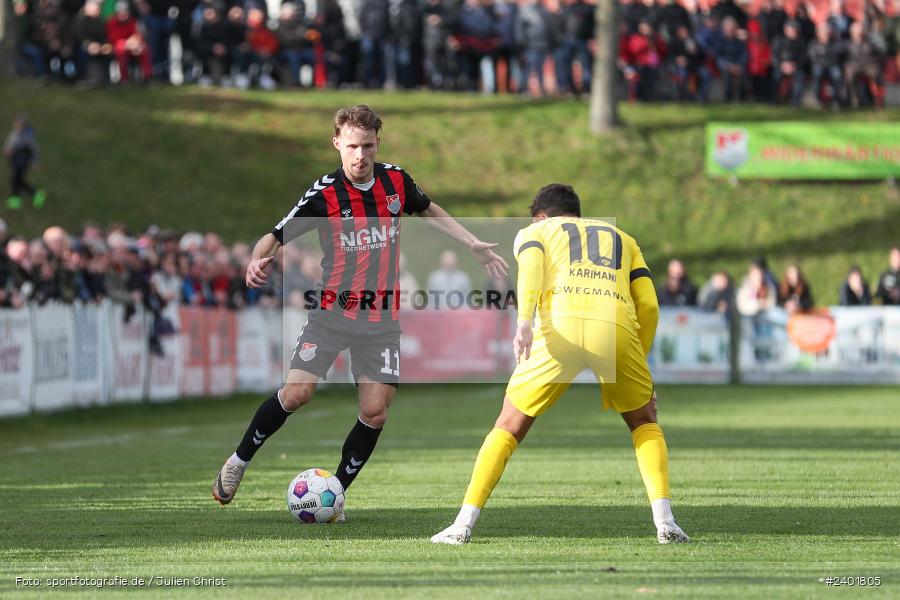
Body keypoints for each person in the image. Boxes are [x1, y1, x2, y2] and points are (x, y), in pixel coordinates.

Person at [211, 105, 509, 515]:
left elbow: (428, 209)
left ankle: (335, 493)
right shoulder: (324, 194)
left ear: (377, 144)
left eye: (367, 146)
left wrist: (470, 241)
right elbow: (275, 235)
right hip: (332, 314)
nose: (360, 155)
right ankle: (238, 461)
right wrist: (257, 259)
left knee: (375, 411)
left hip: (380, 319)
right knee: (297, 393)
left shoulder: (395, 181)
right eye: (352, 146)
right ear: (337, 143)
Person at [431, 183, 689, 546]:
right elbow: (648, 305)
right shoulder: (624, 239)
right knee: (644, 423)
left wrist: (524, 320)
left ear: (541, 216)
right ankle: (666, 523)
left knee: (508, 426)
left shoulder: (536, 232)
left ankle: (462, 525)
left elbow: (532, 268)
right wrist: (639, 362)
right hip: (614, 328)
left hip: (558, 331)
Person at [4, 114, 45, 210]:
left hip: (22, 161)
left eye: (19, 125)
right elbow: (10, 143)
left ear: (24, 126)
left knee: (16, 179)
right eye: (16, 124)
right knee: (18, 180)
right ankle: (35, 194)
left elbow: (34, 150)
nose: (17, 126)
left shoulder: (28, 137)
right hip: (15, 160)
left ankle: (17, 199)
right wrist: (8, 149)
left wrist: (35, 162)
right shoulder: (15, 133)